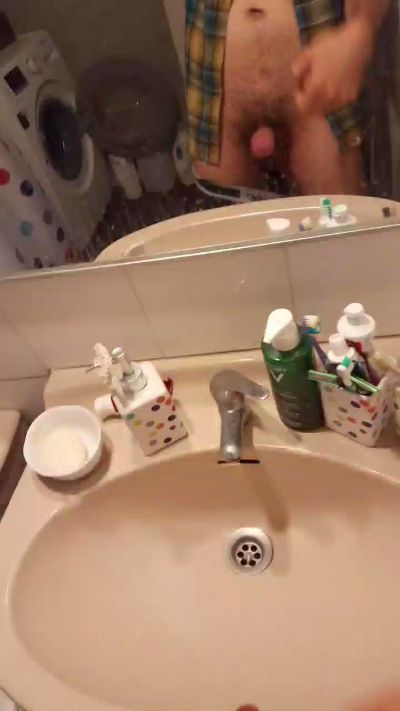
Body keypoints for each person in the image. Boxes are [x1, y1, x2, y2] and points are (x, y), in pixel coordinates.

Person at [186, 0, 390, 197]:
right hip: (216, 90)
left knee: (340, 215)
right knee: (223, 219)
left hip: (315, 91)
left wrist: (360, 29)